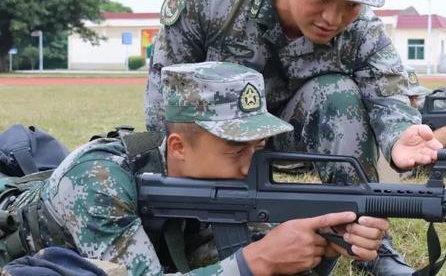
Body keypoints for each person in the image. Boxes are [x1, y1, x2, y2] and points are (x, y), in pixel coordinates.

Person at [145, 0, 443, 273]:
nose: (333, 17)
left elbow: (389, 89)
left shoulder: (363, 31)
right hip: (218, 142)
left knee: (337, 93)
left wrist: (400, 135)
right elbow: (165, 99)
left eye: (350, 4)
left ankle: (363, 241)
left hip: (294, 137)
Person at [2, 62, 389, 276]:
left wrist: (326, 242)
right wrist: (255, 262)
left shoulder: (218, 185)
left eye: (258, 147)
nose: (250, 166)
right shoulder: (99, 179)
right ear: (178, 147)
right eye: (236, 150)